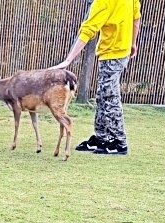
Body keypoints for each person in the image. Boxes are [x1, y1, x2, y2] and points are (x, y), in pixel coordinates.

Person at [50, 0, 141, 155]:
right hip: (120, 52)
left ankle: (119, 142)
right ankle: (102, 138)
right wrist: (132, 43)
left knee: (110, 97)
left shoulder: (102, 2)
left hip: (112, 54)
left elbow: (87, 31)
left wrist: (68, 60)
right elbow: (136, 18)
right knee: (102, 96)